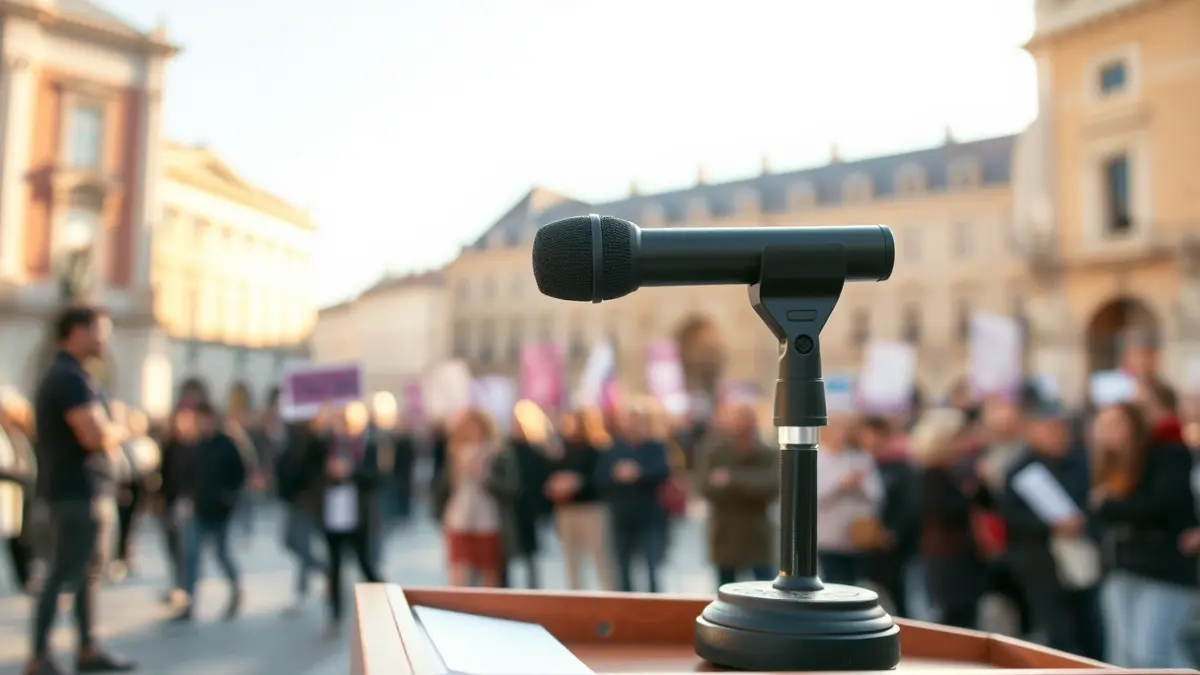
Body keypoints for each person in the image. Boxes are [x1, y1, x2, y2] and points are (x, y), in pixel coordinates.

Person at [26, 305, 134, 675]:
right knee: (62, 574)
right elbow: (95, 435)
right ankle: (38, 656)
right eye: (101, 331)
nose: (107, 339)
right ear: (77, 332)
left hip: (79, 492)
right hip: (77, 494)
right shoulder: (69, 378)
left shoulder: (71, 375)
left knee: (85, 573)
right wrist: (124, 427)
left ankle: (87, 648)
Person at [1094, 398, 1199, 668]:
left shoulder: (1167, 455)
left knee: (1152, 653)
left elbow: (1160, 505)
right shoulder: (1110, 463)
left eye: (1117, 423)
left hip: (1164, 568)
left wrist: (1110, 504)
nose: (1110, 432)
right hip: (1122, 566)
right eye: (1104, 425)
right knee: (1122, 658)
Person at [1000, 399, 1105, 661]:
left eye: (1061, 429)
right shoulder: (1019, 469)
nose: (1058, 436)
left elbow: (1096, 503)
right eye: (1050, 429)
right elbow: (1012, 517)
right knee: (1057, 631)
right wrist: (1050, 527)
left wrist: (1081, 521)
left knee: (1090, 626)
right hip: (1040, 561)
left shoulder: (1080, 463)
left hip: (1082, 557)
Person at [302, 401, 385, 636]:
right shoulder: (326, 444)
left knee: (365, 562)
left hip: (358, 512)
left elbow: (376, 478)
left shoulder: (369, 445)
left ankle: (387, 604)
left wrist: (351, 471)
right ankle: (336, 615)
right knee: (335, 565)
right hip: (332, 511)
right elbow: (305, 462)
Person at [170, 402, 247, 622]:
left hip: (220, 511)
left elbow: (240, 474)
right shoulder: (195, 446)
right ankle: (189, 603)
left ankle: (236, 587)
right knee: (191, 556)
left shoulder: (227, 445)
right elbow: (186, 476)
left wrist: (229, 498)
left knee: (222, 554)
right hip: (198, 510)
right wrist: (184, 499)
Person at [912, 407, 985, 629]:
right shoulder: (931, 475)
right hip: (946, 556)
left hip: (963, 554)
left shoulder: (955, 471)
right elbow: (940, 511)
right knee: (955, 618)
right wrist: (969, 494)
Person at [694, 402, 778, 585]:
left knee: (765, 586)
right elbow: (704, 486)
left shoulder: (768, 453)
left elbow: (771, 487)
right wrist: (748, 486)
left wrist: (731, 479)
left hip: (757, 533)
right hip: (725, 531)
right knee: (726, 588)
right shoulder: (716, 451)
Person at [434, 408, 518, 588]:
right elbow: (443, 489)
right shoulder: (455, 453)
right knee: (458, 573)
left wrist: (484, 476)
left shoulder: (498, 453)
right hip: (459, 520)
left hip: (488, 521)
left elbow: (511, 488)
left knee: (489, 576)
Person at [596, 397, 671, 593]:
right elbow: (600, 477)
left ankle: (655, 608)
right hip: (622, 515)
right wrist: (616, 474)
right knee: (622, 568)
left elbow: (663, 471)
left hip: (649, 515)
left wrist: (639, 473)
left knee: (652, 567)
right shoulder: (614, 448)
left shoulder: (655, 446)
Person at [546, 409, 614, 590]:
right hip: (567, 509)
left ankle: (609, 599)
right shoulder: (563, 449)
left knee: (601, 559)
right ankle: (575, 598)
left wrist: (579, 482)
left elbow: (604, 479)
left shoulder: (599, 448)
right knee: (572, 560)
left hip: (591, 509)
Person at [861, 417, 919, 618]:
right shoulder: (864, 461)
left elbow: (907, 501)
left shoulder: (899, 463)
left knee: (898, 588)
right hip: (870, 536)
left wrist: (893, 529)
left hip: (895, 539)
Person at [815, 414, 883, 585]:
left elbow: (877, 495)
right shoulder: (817, 459)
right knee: (835, 581)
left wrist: (860, 484)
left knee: (855, 582)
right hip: (829, 536)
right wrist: (839, 485)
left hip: (857, 533)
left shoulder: (860, 459)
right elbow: (814, 497)